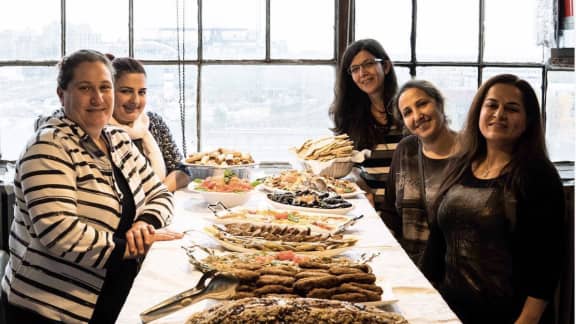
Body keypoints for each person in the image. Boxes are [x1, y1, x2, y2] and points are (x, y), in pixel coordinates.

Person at [1, 49, 182, 323]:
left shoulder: (117, 140)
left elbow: (158, 192)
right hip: (51, 309)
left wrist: (145, 223)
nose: (97, 98)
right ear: (62, 94)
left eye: (105, 87)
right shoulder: (48, 145)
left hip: (110, 294)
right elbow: (59, 233)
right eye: (85, 88)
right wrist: (130, 248)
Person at [421, 74, 564, 324]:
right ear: (479, 110)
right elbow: (438, 240)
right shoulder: (461, 165)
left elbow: (547, 262)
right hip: (449, 312)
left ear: (528, 120)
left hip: (508, 316)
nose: (499, 114)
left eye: (512, 108)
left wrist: (527, 319)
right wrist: (421, 299)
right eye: (492, 105)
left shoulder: (538, 175)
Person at [380, 80, 459, 265]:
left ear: (439, 103)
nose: (417, 116)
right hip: (411, 270)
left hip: (454, 277)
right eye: (407, 112)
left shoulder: (470, 153)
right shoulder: (405, 150)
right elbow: (390, 211)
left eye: (422, 104)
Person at [329, 39, 403, 209]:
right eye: (355, 69)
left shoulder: (406, 110)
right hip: (373, 211)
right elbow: (351, 167)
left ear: (385, 66)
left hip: (408, 213)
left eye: (368, 64)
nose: (362, 73)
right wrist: (360, 186)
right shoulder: (349, 118)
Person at [107, 55, 191, 192]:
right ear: (109, 92)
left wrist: (158, 193)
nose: (135, 100)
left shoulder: (154, 123)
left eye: (141, 92)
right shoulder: (99, 132)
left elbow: (183, 170)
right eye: (126, 91)